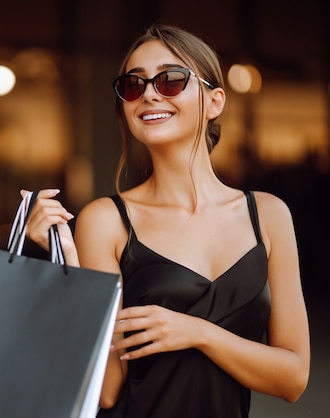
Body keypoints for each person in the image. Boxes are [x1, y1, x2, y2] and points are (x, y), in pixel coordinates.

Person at [22, 23, 310, 418]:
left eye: (171, 79)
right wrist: (67, 270)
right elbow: (106, 391)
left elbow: (293, 378)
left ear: (215, 102)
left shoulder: (269, 215)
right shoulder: (106, 221)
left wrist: (198, 333)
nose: (150, 94)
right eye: (133, 85)